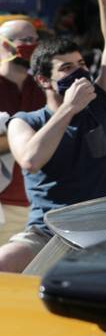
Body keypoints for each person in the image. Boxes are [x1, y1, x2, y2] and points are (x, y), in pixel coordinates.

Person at [2, 0, 106, 272]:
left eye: (82, 64)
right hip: (49, 233)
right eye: (67, 68)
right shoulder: (25, 121)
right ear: (43, 80)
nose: (80, 72)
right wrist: (68, 109)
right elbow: (30, 159)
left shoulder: (101, 105)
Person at [0, 19, 43, 245]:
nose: (33, 46)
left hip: (39, 205)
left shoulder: (43, 86)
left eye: (36, 40)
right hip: (3, 206)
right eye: (26, 41)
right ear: (4, 45)